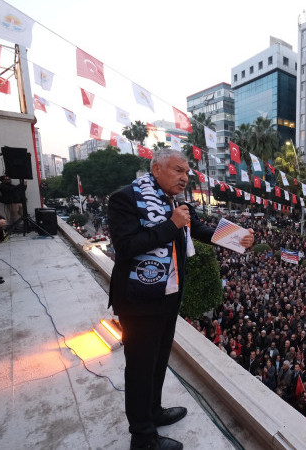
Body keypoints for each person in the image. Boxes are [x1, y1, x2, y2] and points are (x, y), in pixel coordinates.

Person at [107, 149, 254, 450]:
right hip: (139, 301)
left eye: (187, 172)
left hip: (168, 297)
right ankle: (143, 437)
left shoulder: (178, 202)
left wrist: (238, 239)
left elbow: (199, 230)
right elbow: (125, 247)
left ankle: (154, 411)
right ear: (157, 169)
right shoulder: (125, 198)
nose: (184, 177)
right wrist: (170, 225)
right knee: (139, 367)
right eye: (178, 170)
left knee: (159, 360)